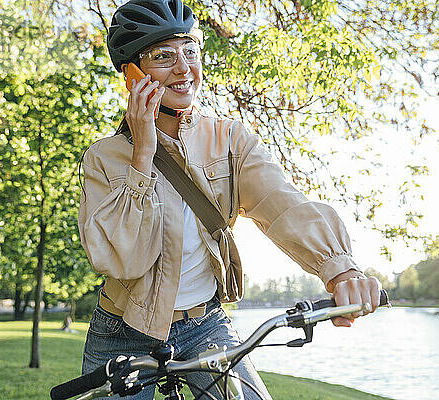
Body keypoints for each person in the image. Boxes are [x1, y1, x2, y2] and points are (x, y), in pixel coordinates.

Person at [78, 1, 381, 399]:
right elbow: (122, 259)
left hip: (205, 326)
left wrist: (338, 268)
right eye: (163, 56)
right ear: (132, 73)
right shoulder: (104, 158)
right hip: (124, 331)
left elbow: (281, 203)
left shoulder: (230, 138)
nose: (184, 68)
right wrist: (141, 157)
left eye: (190, 52)